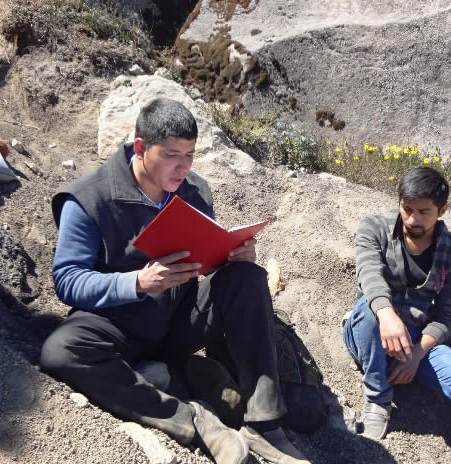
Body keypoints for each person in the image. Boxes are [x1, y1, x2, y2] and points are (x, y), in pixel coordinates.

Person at [40, 98, 309, 464]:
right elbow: (67, 280)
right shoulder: (89, 199)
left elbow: (204, 262)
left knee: (248, 278)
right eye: (171, 155)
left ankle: (263, 425)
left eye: (190, 155)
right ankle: (192, 420)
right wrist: (137, 282)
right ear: (140, 147)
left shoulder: (194, 191)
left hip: (180, 318)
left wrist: (231, 256)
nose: (182, 167)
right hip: (117, 323)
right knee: (61, 351)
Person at [341, 166, 451, 463]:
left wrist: (417, 354)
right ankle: (378, 397)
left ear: (442, 210)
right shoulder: (375, 227)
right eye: (407, 209)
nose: (413, 219)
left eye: (423, 212)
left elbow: (447, 314)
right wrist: (387, 315)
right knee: (372, 313)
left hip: (415, 339)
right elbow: (369, 274)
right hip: (368, 330)